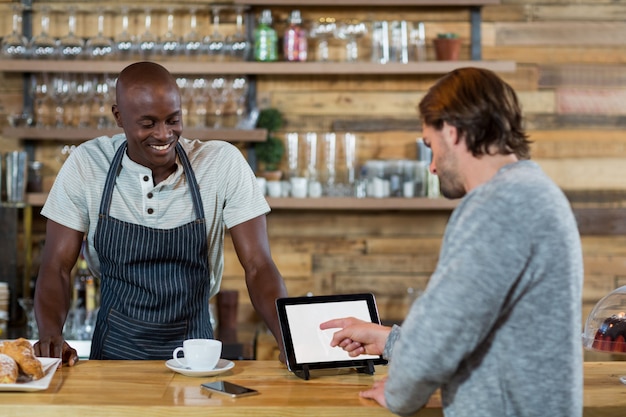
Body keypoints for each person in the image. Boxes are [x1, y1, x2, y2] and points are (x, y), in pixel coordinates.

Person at [320, 67, 583, 417]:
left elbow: (439, 340)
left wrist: (399, 394)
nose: (431, 166)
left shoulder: (499, 204)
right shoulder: (532, 192)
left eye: (430, 146)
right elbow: (474, 327)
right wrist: (391, 341)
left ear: (452, 131)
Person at [33, 61, 288, 364]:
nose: (164, 134)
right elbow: (56, 266)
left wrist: (287, 335)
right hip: (114, 355)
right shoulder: (87, 165)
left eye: (173, 120)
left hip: (195, 354)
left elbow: (259, 265)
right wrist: (50, 333)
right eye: (148, 123)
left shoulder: (222, 164)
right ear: (119, 117)